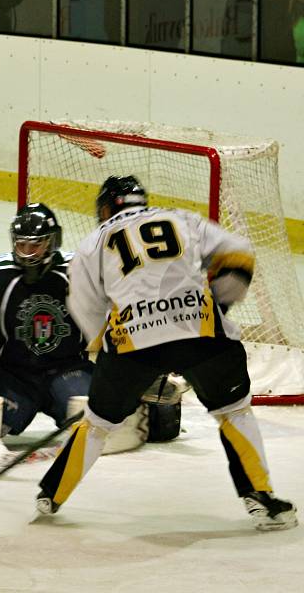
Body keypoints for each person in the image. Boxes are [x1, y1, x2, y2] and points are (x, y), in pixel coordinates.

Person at [34, 175, 298, 532]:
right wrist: (216, 303)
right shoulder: (181, 218)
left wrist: (108, 348)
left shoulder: (93, 242)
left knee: (97, 424)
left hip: (132, 343)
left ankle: (51, 493)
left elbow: (85, 305)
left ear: (107, 208)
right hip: (202, 335)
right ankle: (262, 499)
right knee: (233, 411)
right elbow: (239, 252)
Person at [0, 203, 181, 454]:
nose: (28, 252)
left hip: (67, 371)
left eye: (36, 245)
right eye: (22, 245)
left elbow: (122, 318)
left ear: (52, 242)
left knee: (110, 433)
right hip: (10, 374)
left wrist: (148, 369)